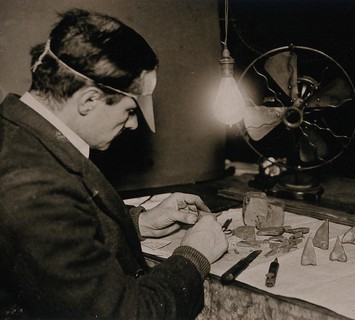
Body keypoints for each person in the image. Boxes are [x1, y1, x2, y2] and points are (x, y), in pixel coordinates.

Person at [0, 8, 228, 319]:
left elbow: (57, 243)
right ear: (89, 101)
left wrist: (137, 223)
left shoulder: (18, 134)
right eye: (130, 110)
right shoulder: (35, 183)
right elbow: (129, 314)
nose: (133, 125)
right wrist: (193, 255)